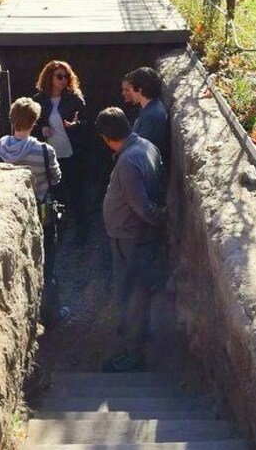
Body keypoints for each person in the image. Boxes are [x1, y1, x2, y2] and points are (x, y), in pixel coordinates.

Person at [96, 107, 166, 373]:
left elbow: (144, 208)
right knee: (137, 289)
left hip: (131, 239)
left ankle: (134, 354)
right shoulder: (146, 146)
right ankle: (140, 331)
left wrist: (160, 219)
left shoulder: (127, 163)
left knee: (132, 293)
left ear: (105, 137)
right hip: (136, 237)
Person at [0, 97, 67, 327]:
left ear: (12, 119)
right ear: (34, 122)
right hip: (41, 215)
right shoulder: (44, 150)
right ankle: (51, 315)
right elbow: (56, 178)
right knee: (48, 264)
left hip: (10, 216)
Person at [32, 60, 88, 235]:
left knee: (75, 192)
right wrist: (42, 129)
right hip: (50, 155)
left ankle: (81, 232)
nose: (64, 80)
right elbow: (32, 124)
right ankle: (57, 232)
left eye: (66, 76)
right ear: (50, 78)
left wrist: (75, 125)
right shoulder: (38, 100)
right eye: (59, 76)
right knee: (54, 193)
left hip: (71, 153)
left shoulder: (74, 99)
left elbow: (87, 124)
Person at [123, 66, 169, 161]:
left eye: (130, 89)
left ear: (139, 90)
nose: (130, 93)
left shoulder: (152, 115)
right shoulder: (151, 108)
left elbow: (141, 150)